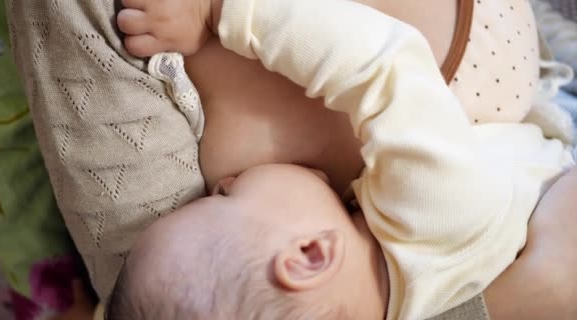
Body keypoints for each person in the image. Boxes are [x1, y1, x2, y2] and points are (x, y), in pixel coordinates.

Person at [103, 0, 574, 319]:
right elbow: (381, 64)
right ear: (309, 254)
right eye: (219, 201)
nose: (221, 182)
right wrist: (225, 12)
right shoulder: (431, 211)